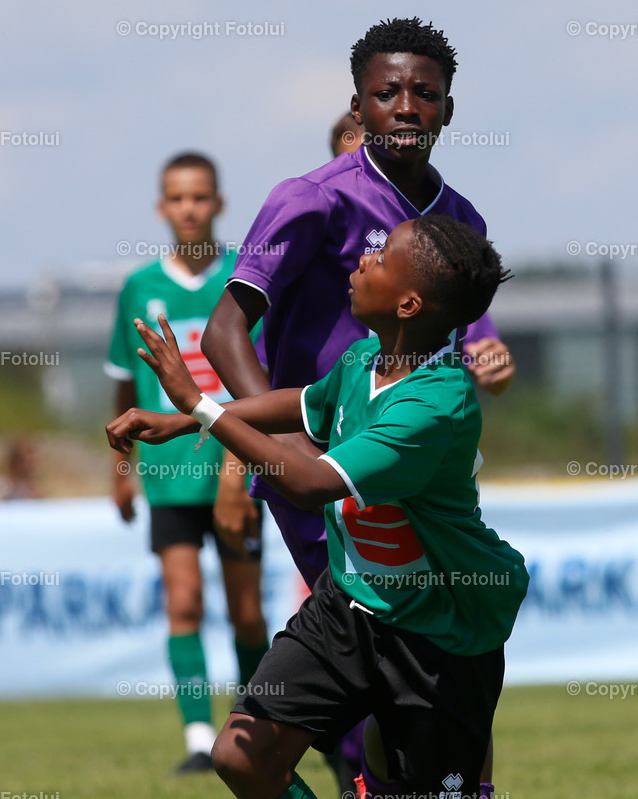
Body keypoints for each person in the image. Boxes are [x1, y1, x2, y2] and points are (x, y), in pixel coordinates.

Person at [106, 213, 529, 799]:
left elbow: (305, 481)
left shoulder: (435, 406)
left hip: (438, 635)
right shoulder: (362, 361)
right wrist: (181, 420)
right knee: (243, 754)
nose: (361, 261)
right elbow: (299, 406)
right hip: (350, 608)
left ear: (408, 305)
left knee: (420, 787)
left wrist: (200, 405)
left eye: (380, 260)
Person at [202, 17, 510, 791]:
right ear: (359, 105)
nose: (405, 106)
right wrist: (271, 445)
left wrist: (488, 349)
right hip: (318, 468)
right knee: (374, 652)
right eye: (386, 93)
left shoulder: (458, 221)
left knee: (431, 652)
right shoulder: (308, 201)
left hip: (403, 469)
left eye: (423, 93)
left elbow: (463, 335)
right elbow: (225, 329)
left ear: (446, 108)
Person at [104, 152, 269, 774]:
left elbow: (261, 386)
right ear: (161, 207)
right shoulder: (139, 288)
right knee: (184, 604)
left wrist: (240, 470)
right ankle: (199, 737)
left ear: (219, 203)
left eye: (200, 197)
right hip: (169, 477)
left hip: (240, 472)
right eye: (177, 198)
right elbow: (125, 386)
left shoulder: (243, 278)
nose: (189, 208)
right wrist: (120, 471)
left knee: (248, 611)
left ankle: (250, 726)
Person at [330, 109, 516, 397]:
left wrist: (495, 368)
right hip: (324, 437)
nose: (371, 180)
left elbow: (489, 366)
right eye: (360, 168)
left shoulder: (433, 267)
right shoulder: (312, 253)